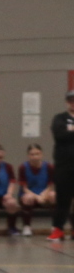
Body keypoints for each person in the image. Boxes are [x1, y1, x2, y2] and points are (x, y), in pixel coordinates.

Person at [17, 143, 53, 237]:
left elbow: (50, 186)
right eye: (32, 154)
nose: (35, 156)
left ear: (41, 154)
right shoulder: (23, 167)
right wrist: (36, 197)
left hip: (44, 193)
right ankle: (27, 226)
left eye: (37, 154)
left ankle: (55, 226)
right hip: (29, 194)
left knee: (54, 195)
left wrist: (43, 195)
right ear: (28, 155)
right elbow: (24, 188)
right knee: (28, 198)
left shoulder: (49, 167)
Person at [52, 93, 74, 241]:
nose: (73, 103)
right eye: (70, 101)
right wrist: (68, 132)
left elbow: (67, 134)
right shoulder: (59, 118)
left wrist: (71, 130)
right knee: (62, 199)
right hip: (64, 165)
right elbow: (60, 135)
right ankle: (58, 229)